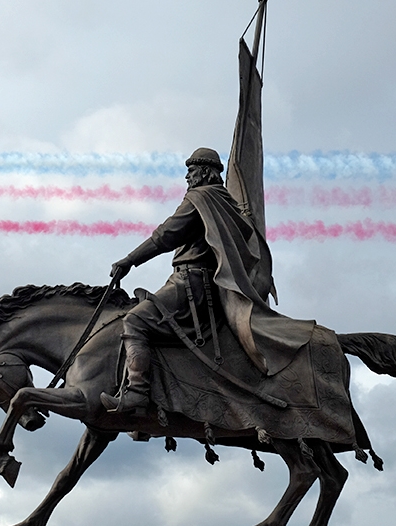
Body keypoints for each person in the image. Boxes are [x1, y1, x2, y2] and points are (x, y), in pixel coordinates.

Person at [101, 147, 314, 415]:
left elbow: (165, 235)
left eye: (191, 172)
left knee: (134, 321)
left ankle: (137, 395)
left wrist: (129, 260)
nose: (187, 178)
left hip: (190, 285)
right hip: (198, 285)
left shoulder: (200, 197)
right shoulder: (223, 202)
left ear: (204, 172)